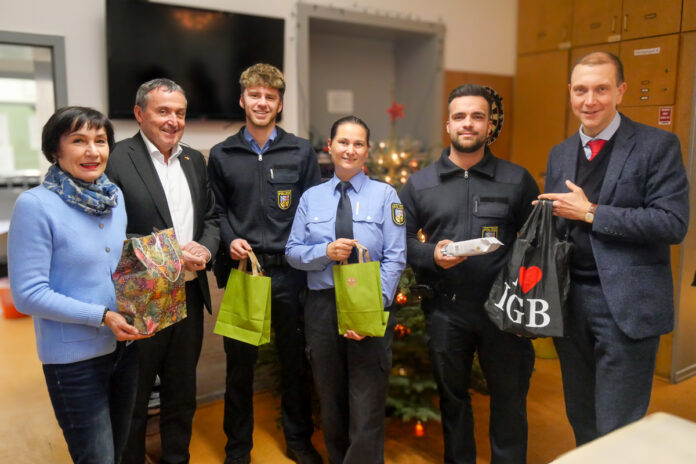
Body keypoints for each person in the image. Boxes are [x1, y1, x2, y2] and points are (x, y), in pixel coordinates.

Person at [538, 51, 689, 445]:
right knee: (582, 419)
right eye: (581, 90)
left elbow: (672, 223)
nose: (590, 100)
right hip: (571, 306)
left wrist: (592, 213)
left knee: (618, 429)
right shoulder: (560, 152)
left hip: (626, 307)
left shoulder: (658, 145)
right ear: (569, 93)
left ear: (620, 91)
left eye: (601, 89)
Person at [400, 84, 539, 464]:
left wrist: (528, 305)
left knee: (510, 402)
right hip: (447, 311)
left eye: (478, 116)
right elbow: (401, 242)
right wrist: (433, 254)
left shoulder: (516, 179)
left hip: (505, 313)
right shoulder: (420, 184)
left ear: (489, 124)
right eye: (460, 116)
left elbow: (537, 244)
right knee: (453, 400)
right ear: (448, 124)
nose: (468, 123)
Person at [8, 106, 148, 463]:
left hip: (123, 349)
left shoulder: (113, 198)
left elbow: (114, 266)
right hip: (73, 361)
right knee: (96, 457)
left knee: (119, 451)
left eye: (100, 141)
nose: (93, 151)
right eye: (78, 141)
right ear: (55, 150)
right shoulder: (35, 206)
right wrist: (101, 315)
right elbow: (27, 295)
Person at [207, 63, 321, 464]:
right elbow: (215, 212)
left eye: (270, 97)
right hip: (245, 273)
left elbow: (314, 208)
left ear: (280, 104)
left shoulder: (300, 150)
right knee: (239, 368)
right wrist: (228, 238)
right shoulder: (221, 155)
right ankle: (237, 448)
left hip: (292, 274)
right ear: (242, 100)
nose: (262, 102)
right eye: (255, 95)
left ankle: (298, 441)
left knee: (295, 364)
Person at [105, 78, 219, 464]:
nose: (173, 121)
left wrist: (205, 246)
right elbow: (108, 232)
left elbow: (212, 217)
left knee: (181, 394)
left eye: (180, 113)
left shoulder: (194, 160)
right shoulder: (116, 159)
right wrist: (171, 253)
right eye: (163, 111)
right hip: (142, 298)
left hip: (188, 293)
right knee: (133, 399)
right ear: (140, 114)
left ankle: (176, 459)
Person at [286, 115, 406, 464]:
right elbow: (293, 252)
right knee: (331, 394)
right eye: (343, 142)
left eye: (358, 143)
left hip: (370, 302)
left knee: (367, 398)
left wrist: (369, 308)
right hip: (322, 307)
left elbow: (396, 259)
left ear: (367, 150)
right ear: (330, 146)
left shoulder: (387, 196)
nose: (350, 149)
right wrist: (323, 252)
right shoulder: (312, 198)